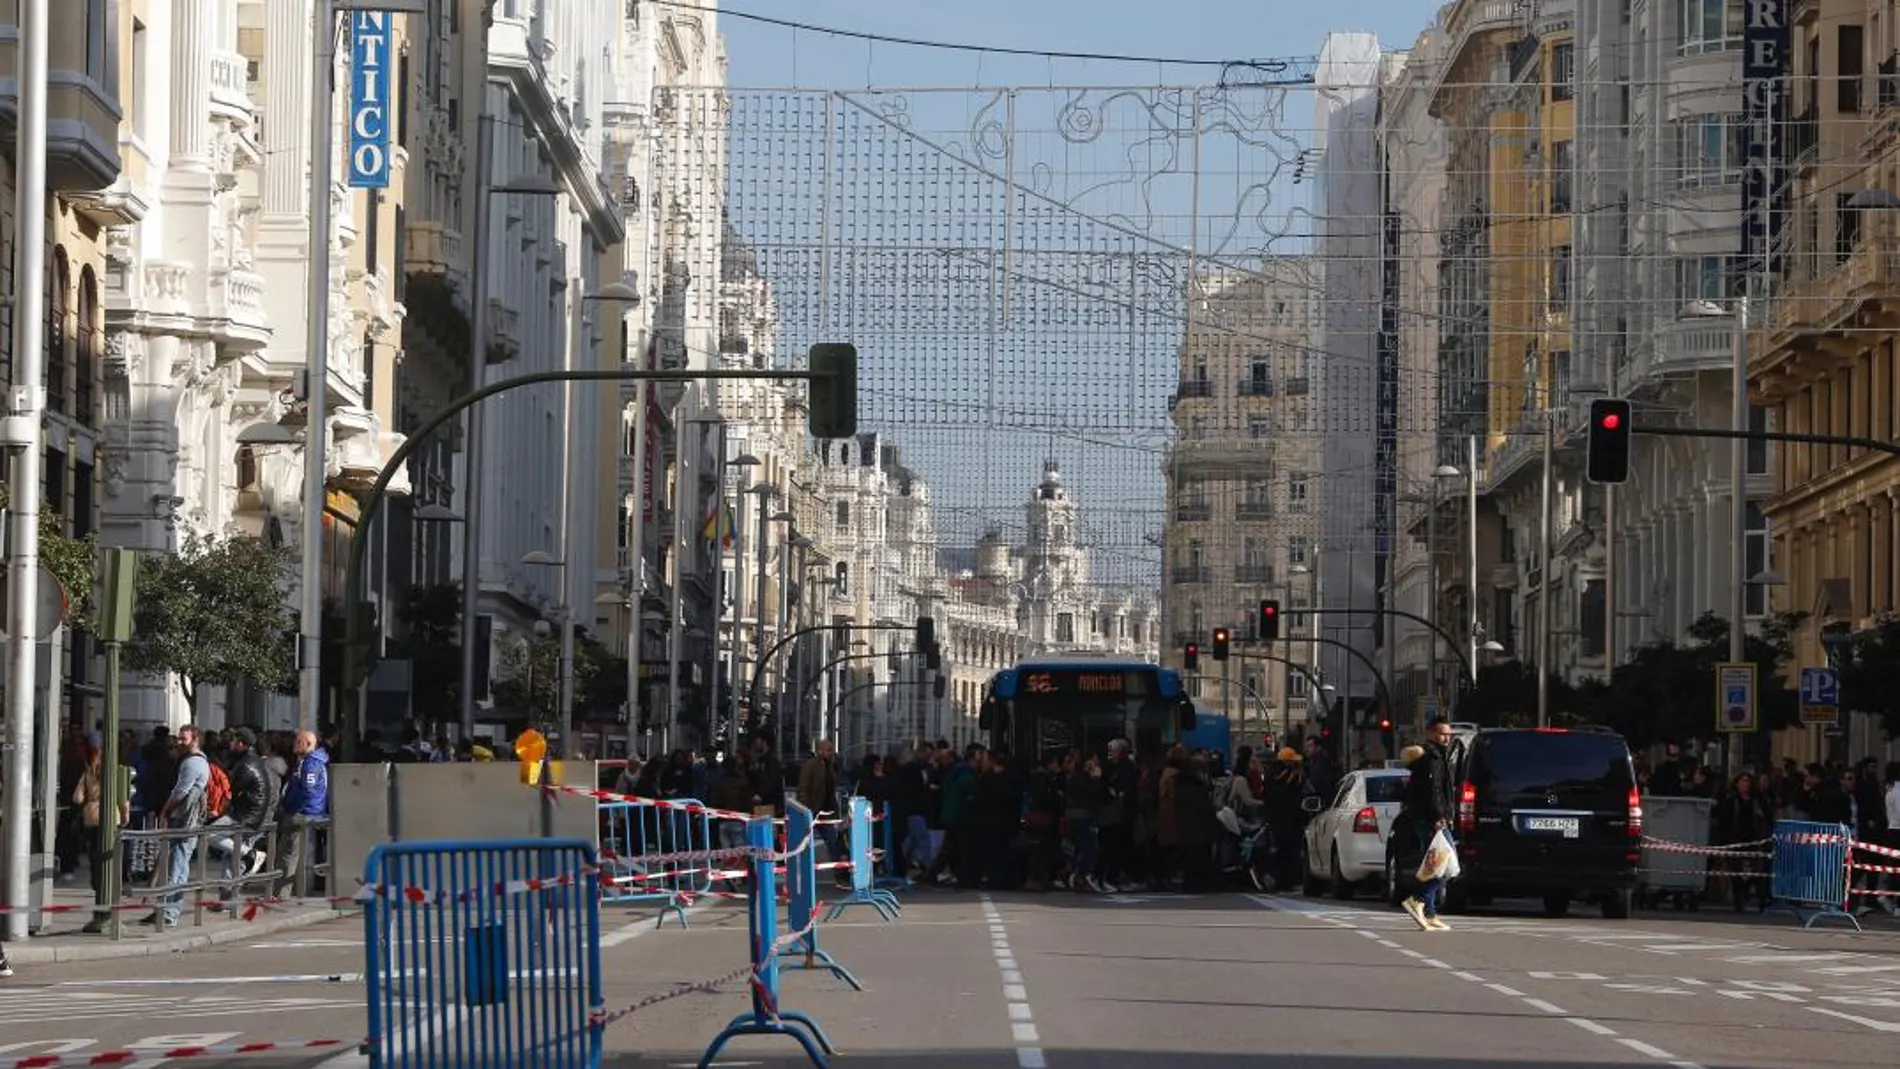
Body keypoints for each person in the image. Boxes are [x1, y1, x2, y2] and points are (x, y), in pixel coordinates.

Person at [1400, 717, 1459, 932]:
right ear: (1432, 734)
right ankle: (1417, 900)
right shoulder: (1433, 757)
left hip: (1429, 818)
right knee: (1449, 866)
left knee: (1434, 865)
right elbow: (1433, 791)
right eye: (1443, 734)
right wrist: (1439, 817)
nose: (1447, 737)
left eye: (1449, 734)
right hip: (1432, 819)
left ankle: (1430, 913)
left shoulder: (1435, 755)